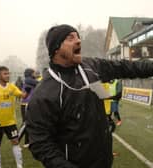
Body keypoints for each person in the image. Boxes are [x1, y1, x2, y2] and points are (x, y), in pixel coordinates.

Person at [26, 24, 153, 168]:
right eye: (70, 38)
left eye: (78, 37)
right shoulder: (44, 94)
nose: (78, 41)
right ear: (56, 48)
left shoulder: (91, 67)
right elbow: (40, 143)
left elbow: (125, 67)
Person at [0, 66, 29, 168]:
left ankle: (19, 165)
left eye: (8, 73)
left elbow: (23, 96)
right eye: (5, 73)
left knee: (15, 142)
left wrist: (28, 89)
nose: (8, 75)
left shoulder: (12, 87)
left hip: (11, 122)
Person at [20, 68, 38, 147]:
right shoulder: (28, 80)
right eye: (34, 73)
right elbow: (40, 83)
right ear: (30, 74)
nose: (35, 74)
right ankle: (16, 140)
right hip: (26, 104)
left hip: (30, 104)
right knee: (25, 124)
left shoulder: (30, 80)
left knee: (30, 124)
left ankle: (27, 142)